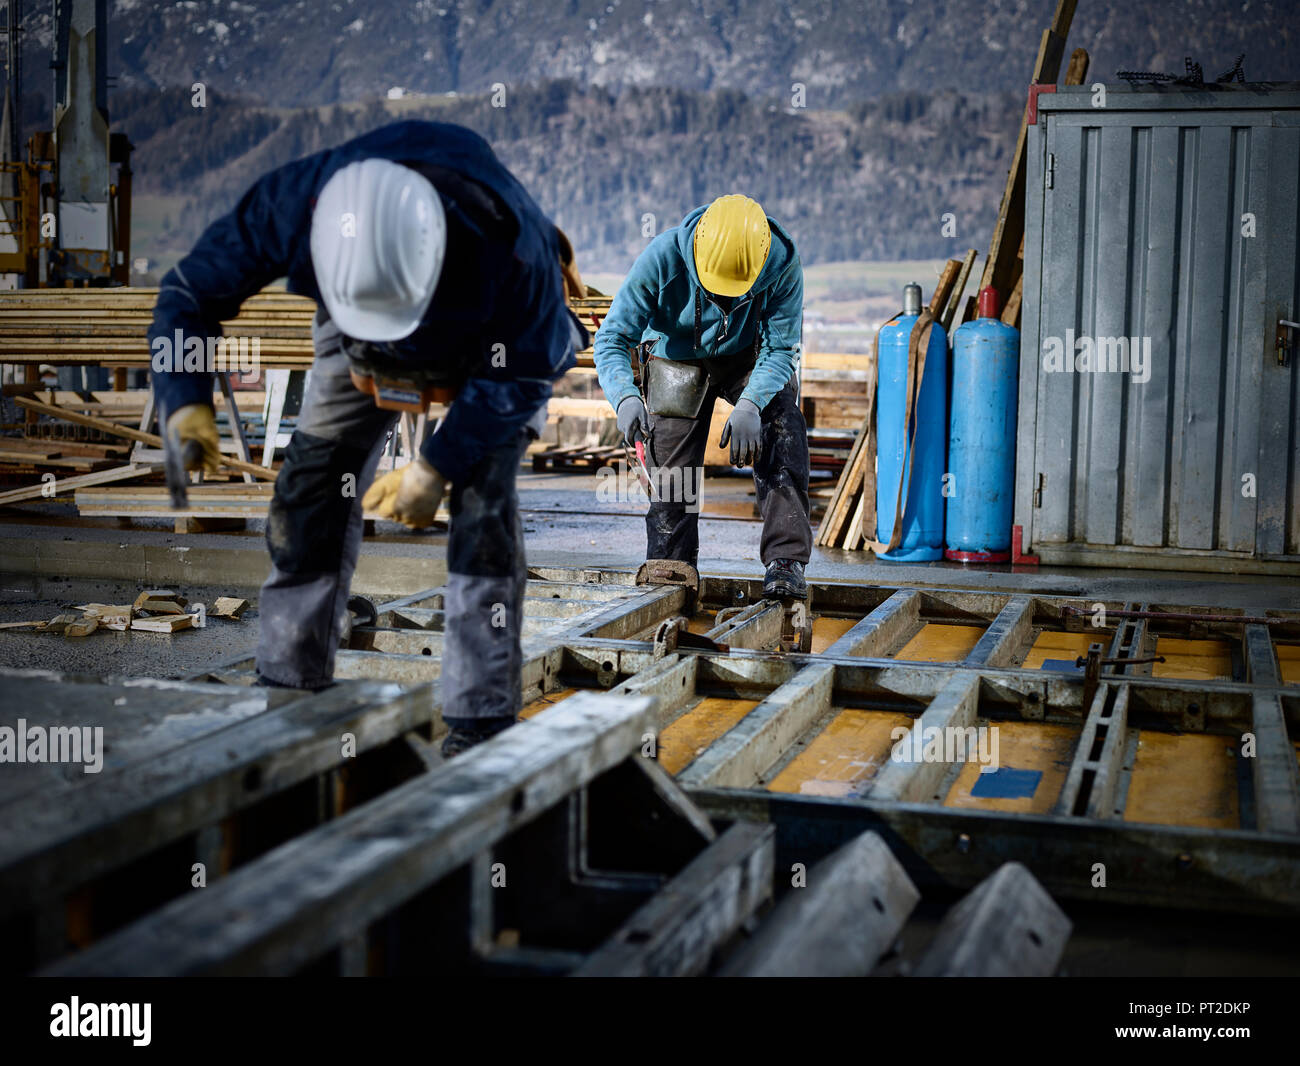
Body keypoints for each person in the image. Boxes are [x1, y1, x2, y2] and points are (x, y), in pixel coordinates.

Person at [149, 120, 586, 757]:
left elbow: (525, 372)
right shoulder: (291, 208)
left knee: (484, 499)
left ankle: (479, 720)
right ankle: (290, 688)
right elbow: (186, 295)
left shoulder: (513, 253)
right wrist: (184, 402)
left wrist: (434, 466)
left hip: (484, 342)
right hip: (355, 320)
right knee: (312, 484)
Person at [593, 194, 810, 599]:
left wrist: (750, 405)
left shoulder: (781, 265)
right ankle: (671, 570)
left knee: (782, 424)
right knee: (672, 473)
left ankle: (786, 563)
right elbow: (612, 339)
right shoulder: (661, 259)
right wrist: (623, 397)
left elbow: (781, 349)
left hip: (748, 357)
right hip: (677, 357)